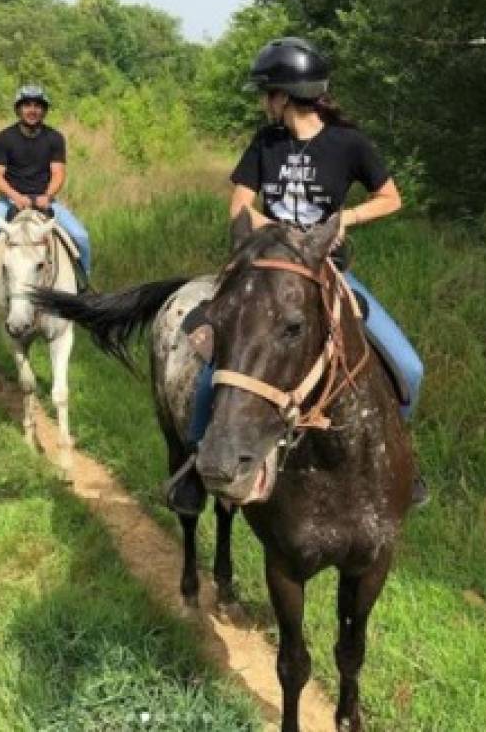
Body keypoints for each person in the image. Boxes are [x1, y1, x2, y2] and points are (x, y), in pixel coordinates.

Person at [168, 37, 426, 515]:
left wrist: (343, 220)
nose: (264, 102)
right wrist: (285, 231)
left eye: (266, 93)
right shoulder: (266, 144)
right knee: (213, 375)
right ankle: (194, 467)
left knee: (409, 369)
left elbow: (392, 198)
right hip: (265, 273)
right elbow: (239, 208)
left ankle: (402, 467)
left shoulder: (348, 143)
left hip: (325, 273)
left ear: (283, 96)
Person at [0, 85, 91, 319]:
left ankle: (84, 289)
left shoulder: (54, 138)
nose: (33, 110)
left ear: (44, 110)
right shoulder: (4, 138)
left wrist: (47, 196)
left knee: (81, 236)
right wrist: (15, 197)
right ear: (19, 109)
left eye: (38, 105)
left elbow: (58, 173)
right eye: (27, 105)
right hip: (9, 201)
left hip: (46, 200)